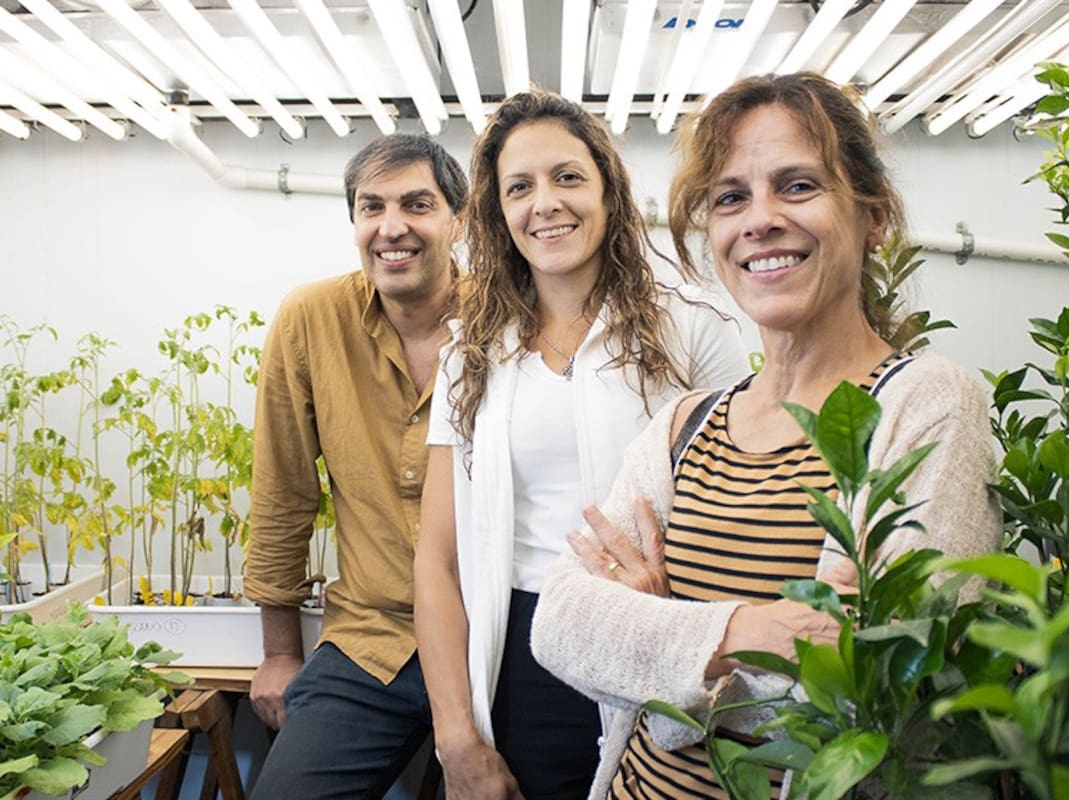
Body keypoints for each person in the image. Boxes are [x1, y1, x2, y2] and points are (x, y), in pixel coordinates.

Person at [529, 72, 1003, 799]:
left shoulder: (928, 402)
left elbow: (876, 690)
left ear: (872, 216)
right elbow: (560, 622)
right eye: (731, 198)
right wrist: (744, 633)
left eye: (798, 186)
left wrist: (658, 640)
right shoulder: (685, 424)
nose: (760, 220)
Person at [414, 89, 746, 800]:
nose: (546, 204)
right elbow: (437, 559)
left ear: (607, 188)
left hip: (665, 633)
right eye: (520, 187)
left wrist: (676, 613)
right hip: (522, 659)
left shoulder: (695, 327)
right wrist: (456, 737)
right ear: (499, 213)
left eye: (568, 177)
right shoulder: (469, 355)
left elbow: (747, 510)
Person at [243, 132, 468, 800]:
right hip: (372, 642)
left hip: (494, 641)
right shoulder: (310, 319)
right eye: (371, 208)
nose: (391, 228)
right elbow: (283, 489)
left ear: (458, 218)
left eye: (417, 204)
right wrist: (280, 652)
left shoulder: (506, 320)